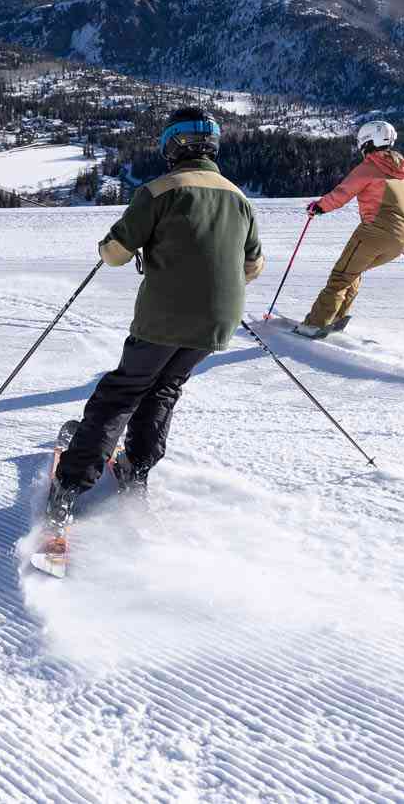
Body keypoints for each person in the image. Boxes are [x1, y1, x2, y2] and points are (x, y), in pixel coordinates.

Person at [46, 105, 264, 525]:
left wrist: (114, 243)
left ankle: (71, 483)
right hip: (219, 321)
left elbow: (114, 253)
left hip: (165, 316)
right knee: (164, 388)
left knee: (123, 391)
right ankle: (138, 467)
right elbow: (252, 266)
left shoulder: (160, 190)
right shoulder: (240, 198)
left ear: (172, 145)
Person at [294, 120, 404, 339]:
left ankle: (315, 324)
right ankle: (337, 318)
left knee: (341, 275)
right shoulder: (400, 170)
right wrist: (393, 236)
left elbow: (342, 193)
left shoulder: (369, 167)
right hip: (401, 238)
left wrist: (319, 206)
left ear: (367, 142)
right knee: (352, 272)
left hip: (374, 233)